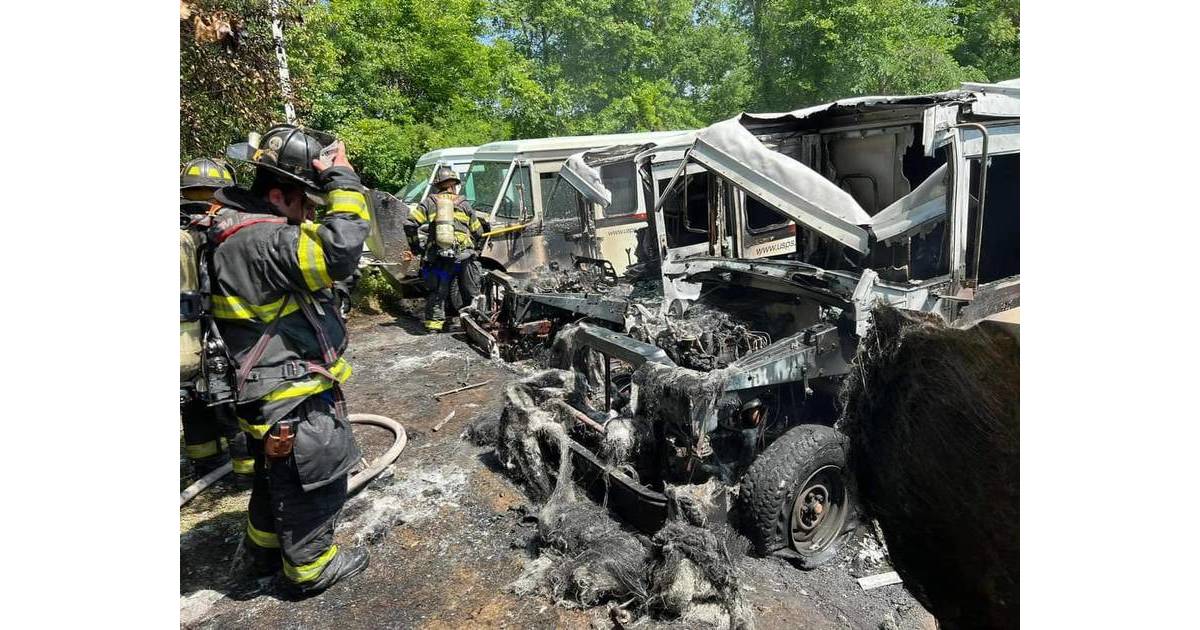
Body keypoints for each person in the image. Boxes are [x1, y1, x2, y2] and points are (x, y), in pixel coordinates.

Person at [204, 124, 371, 596]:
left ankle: (260, 555)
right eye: (305, 203)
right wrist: (343, 183)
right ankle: (310, 569)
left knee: (276, 476)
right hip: (288, 393)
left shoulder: (233, 230)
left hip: (265, 387)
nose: (308, 214)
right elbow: (339, 253)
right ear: (279, 196)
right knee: (313, 475)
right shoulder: (264, 240)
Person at [179, 158, 254, 480]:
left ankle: (205, 463)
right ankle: (247, 472)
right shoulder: (225, 232)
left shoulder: (180, 232)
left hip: (184, 339)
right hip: (221, 333)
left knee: (193, 404)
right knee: (232, 404)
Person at [403, 166, 484, 332]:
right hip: (464, 257)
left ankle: (434, 326)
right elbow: (479, 231)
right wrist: (475, 250)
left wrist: (416, 247)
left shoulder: (430, 203)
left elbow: (410, 224)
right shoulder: (464, 204)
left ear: (438, 185)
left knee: (438, 292)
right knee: (471, 292)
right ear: (454, 185)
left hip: (439, 258)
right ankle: (476, 326)